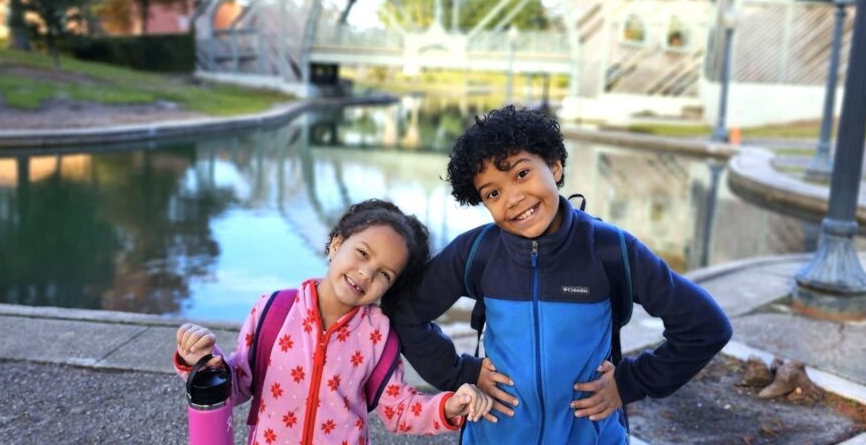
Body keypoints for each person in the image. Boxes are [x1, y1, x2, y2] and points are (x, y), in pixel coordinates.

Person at [392, 105, 733, 444]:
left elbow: (705, 326)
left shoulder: (609, 249)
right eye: (493, 193)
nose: (514, 198)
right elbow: (405, 312)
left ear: (554, 166)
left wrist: (629, 382)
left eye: (522, 174)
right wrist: (460, 372)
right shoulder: (477, 252)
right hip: (494, 436)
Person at [174, 199, 493, 444]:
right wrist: (201, 362)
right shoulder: (273, 310)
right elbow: (237, 384)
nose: (366, 273)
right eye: (362, 253)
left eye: (384, 274)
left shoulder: (379, 335)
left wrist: (449, 405)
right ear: (337, 244)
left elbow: (398, 410)